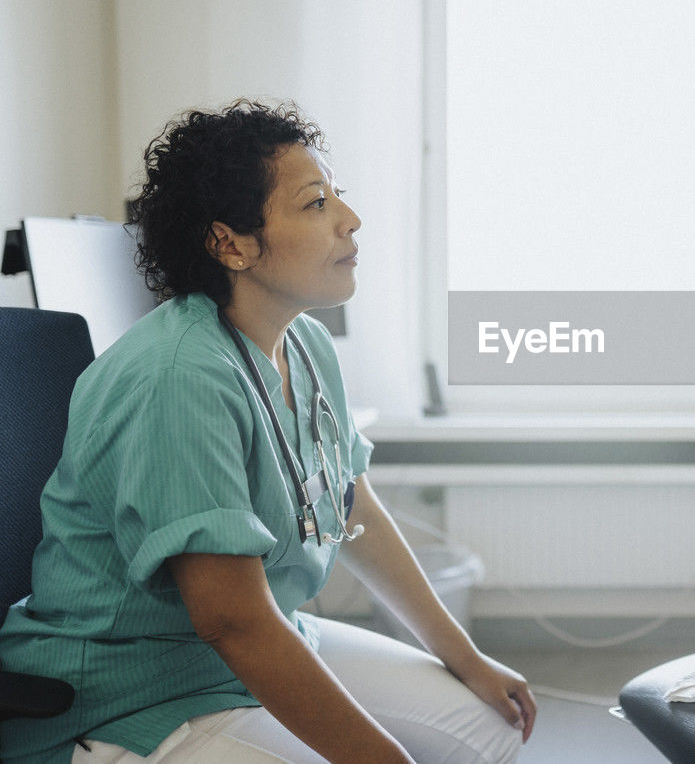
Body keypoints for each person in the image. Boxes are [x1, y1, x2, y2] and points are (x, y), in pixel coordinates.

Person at [0, 100, 535, 763]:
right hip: (132, 691)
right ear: (231, 243)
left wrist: (467, 656)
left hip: (263, 641)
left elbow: (351, 505)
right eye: (315, 204)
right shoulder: (179, 375)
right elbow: (233, 621)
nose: (350, 219)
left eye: (338, 196)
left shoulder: (305, 344)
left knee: (490, 725)